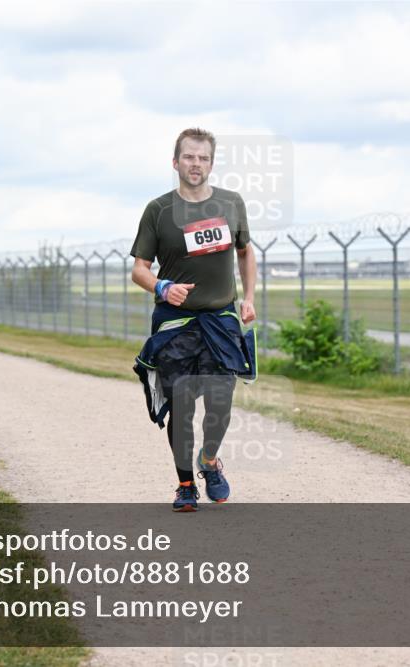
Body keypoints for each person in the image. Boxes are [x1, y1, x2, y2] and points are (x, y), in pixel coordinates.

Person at [130, 128, 257, 512]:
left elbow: (245, 252)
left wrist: (248, 298)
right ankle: (185, 484)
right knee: (182, 405)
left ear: (211, 164)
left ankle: (209, 461)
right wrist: (162, 287)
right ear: (176, 162)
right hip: (176, 325)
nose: (195, 164)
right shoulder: (159, 210)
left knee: (220, 404)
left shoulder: (231, 203)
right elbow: (139, 269)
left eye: (202, 158)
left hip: (221, 319)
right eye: (189, 157)